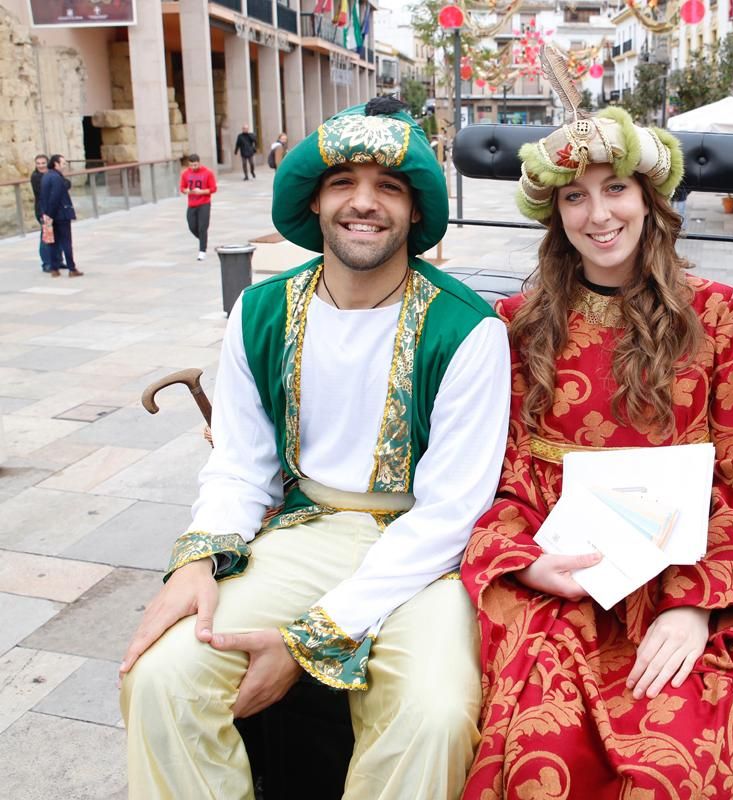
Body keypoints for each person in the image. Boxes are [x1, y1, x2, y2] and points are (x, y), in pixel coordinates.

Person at [118, 97, 511, 799]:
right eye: (343, 184)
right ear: (316, 202)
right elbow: (240, 464)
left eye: (388, 187)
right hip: (304, 532)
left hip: (427, 554)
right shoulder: (261, 311)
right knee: (163, 677)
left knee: (436, 714)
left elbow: (453, 511)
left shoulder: (469, 330)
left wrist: (315, 637)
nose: (365, 204)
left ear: (416, 210)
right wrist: (200, 558)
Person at [461, 100, 733, 799]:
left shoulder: (715, 313)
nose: (599, 215)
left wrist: (696, 605)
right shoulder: (518, 326)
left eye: (615, 188)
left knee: (680, 765)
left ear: (649, 200)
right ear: (555, 214)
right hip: (565, 587)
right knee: (539, 753)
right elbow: (499, 471)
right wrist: (530, 568)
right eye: (575, 197)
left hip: (682, 584)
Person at [36, 154, 81, 277]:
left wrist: (45, 213)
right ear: (56, 164)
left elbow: (43, 197)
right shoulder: (55, 177)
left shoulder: (46, 176)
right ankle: (72, 268)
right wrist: (50, 214)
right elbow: (54, 197)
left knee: (52, 242)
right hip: (60, 215)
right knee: (66, 242)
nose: (65, 166)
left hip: (49, 214)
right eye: (63, 163)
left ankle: (54, 268)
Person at [180, 153, 217, 261]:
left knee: (202, 227)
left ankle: (202, 250)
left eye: (195, 165)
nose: (193, 167)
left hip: (204, 203)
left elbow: (213, 189)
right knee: (192, 226)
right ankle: (203, 240)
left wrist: (201, 191)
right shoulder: (185, 174)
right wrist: (188, 190)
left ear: (199, 163)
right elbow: (182, 188)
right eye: (191, 165)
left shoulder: (207, 173)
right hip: (192, 204)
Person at [29, 154, 54, 273]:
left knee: (57, 235)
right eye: (38, 163)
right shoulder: (36, 177)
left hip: (54, 209)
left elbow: (66, 184)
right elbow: (44, 192)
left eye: (43, 163)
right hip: (43, 210)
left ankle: (57, 260)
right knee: (46, 236)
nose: (41, 166)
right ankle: (46, 263)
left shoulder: (52, 174)